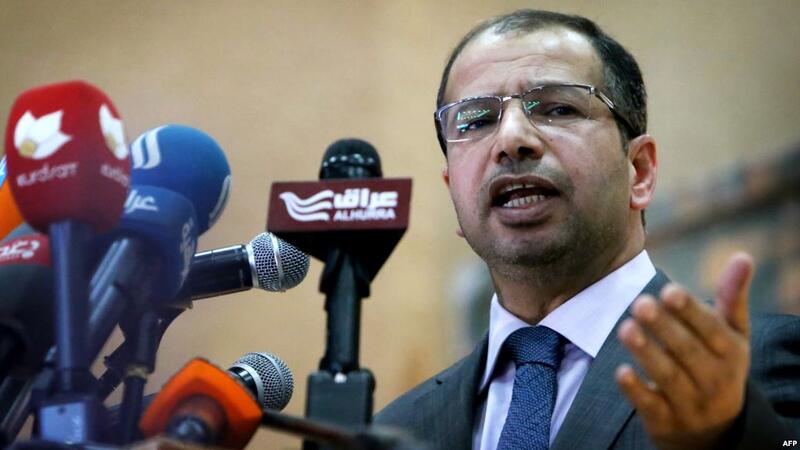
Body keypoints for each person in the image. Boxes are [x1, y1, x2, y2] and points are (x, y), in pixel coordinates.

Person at [373, 9, 799, 450]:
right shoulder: (399, 428)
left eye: (558, 108)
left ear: (639, 171)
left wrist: (727, 436)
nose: (511, 139)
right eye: (477, 120)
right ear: (454, 194)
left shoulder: (751, 366)